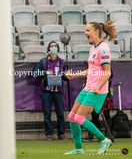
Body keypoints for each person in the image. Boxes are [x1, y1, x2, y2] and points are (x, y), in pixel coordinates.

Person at [65, 19, 116, 155]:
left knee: (79, 118)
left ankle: (104, 140)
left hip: (97, 90)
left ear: (97, 31)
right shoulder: (93, 48)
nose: (85, 32)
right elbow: (91, 70)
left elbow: (107, 72)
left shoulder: (103, 48)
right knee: (72, 116)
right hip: (88, 88)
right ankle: (78, 149)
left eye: (88, 30)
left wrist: (98, 87)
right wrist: (74, 76)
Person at [33, 41, 67, 140]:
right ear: (48, 48)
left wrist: (67, 76)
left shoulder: (62, 62)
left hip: (58, 91)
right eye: (51, 46)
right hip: (46, 91)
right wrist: (44, 72)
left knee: (60, 113)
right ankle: (49, 134)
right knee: (47, 113)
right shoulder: (43, 61)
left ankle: (61, 133)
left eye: (55, 46)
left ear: (58, 49)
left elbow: (65, 76)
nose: (53, 48)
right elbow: (35, 73)